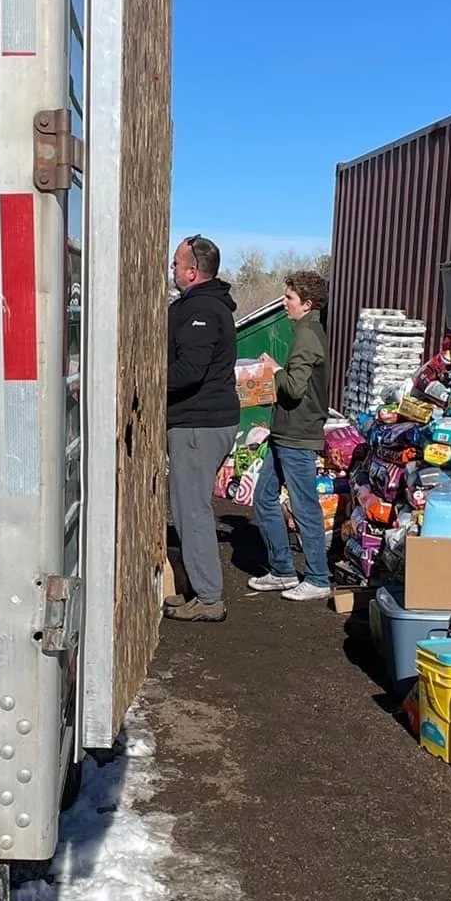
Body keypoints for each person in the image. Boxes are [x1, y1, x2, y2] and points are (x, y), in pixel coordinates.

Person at [164, 235, 239, 622]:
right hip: (201, 421)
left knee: (192, 510)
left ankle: (209, 598)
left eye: (176, 264)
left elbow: (189, 371)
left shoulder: (203, 310)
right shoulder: (204, 305)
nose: (172, 269)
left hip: (199, 424)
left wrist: (142, 381)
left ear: (193, 272)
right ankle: (199, 588)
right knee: (186, 506)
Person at [247, 269, 333, 601]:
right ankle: (282, 570)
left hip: (298, 434)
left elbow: (295, 388)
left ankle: (318, 578)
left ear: (307, 303)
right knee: (264, 498)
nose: (284, 303)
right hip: (285, 432)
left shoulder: (307, 335)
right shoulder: (306, 331)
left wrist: (274, 369)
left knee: (304, 505)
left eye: (289, 298)